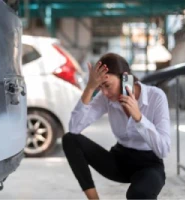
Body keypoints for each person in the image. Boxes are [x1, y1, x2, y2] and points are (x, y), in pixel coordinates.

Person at [62, 53, 171, 200]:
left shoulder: (156, 96)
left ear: (125, 77)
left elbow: (163, 150)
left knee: (138, 194)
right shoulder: (105, 98)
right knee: (70, 139)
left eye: (107, 85)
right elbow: (74, 128)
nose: (105, 93)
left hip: (149, 164)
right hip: (119, 161)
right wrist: (89, 88)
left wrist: (139, 118)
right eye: (100, 87)